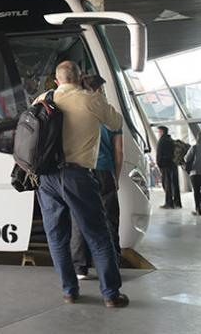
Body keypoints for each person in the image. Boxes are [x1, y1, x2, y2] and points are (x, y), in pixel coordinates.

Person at [34, 62, 128, 308]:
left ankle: (69, 291)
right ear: (80, 78)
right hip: (78, 176)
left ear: (57, 81)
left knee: (56, 236)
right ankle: (110, 294)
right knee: (98, 235)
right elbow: (116, 123)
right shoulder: (91, 100)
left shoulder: (42, 98)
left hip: (46, 178)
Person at [70, 75, 122, 280]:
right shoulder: (109, 115)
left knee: (78, 217)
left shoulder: (77, 111)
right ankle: (112, 262)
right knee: (109, 217)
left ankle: (79, 266)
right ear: (99, 90)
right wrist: (115, 177)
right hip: (103, 171)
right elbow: (119, 151)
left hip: (80, 170)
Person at [156, 126, 181, 209]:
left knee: (167, 184)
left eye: (159, 131)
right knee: (174, 183)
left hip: (165, 164)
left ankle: (169, 203)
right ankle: (177, 203)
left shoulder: (162, 140)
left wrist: (159, 164)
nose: (158, 133)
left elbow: (159, 153)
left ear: (162, 132)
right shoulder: (171, 140)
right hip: (173, 164)